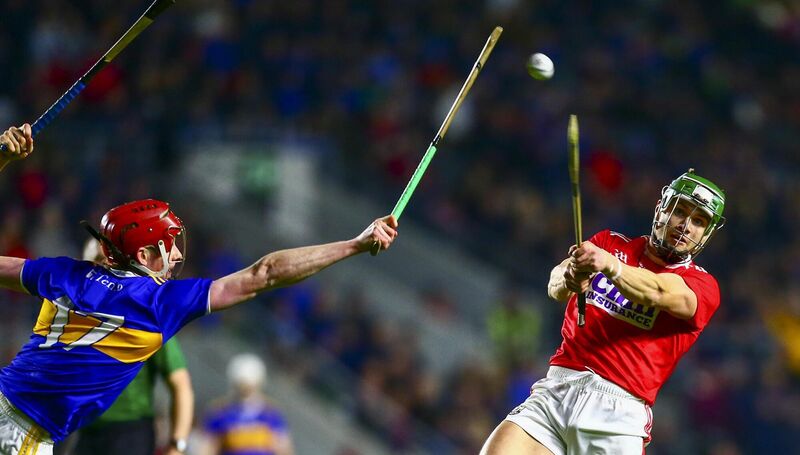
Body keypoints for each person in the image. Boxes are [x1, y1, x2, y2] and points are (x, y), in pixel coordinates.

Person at [0, 126, 399, 454]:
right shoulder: (161, 303)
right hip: (23, 436)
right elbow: (266, 273)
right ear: (144, 252)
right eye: (168, 244)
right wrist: (354, 244)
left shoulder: (62, 272)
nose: (175, 254)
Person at [481, 170, 726, 455]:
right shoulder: (609, 243)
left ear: (707, 233)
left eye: (698, 221)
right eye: (680, 212)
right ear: (661, 207)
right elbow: (556, 285)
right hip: (557, 390)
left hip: (618, 416)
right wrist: (570, 275)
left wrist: (611, 267)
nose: (685, 226)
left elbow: (658, 291)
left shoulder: (702, 285)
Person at [65, 240, 195, 455]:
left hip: (129, 433)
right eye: (99, 262)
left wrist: (177, 445)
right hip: (85, 431)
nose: (106, 267)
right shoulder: (77, 317)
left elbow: (181, 385)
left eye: (111, 262)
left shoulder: (144, 319)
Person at [201, 353, 293, 455]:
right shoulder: (220, 412)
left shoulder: (270, 414)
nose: (245, 389)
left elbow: (283, 449)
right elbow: (209, 448)